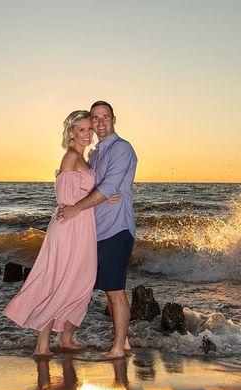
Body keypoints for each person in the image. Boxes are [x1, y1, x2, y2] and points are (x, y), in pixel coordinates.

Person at [3, 110, 119, 356]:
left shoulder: (82, 158)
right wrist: (95, 197)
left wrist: (104, 198)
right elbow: (66, 199)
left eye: (89, 129)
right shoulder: (70, 158)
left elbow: (81, 195)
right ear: (71, 134)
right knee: (57, 282)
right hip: (69, 228)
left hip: (81, 226)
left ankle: (66, 339)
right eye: (81, 130)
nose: (88, 134)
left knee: (81, 282)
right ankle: (42, 345)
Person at [57, 101, 137, 359]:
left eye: (105, 117)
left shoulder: (121, 148)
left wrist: (77, 207)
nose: (100, 123)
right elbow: (92, 186)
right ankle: (121, 343)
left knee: (115, 290)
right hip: (95, 230)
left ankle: (118, 348)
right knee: (95, 288)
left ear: (114, 119)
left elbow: (110, 186)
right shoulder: (96, 153)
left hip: (116, 228)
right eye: (96, 118)